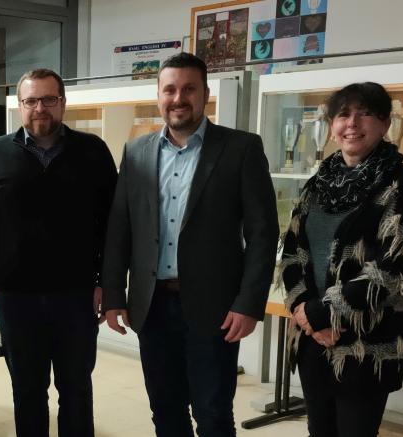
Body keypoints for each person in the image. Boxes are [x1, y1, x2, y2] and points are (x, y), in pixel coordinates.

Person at [101, 52, 278, 437]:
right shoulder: (137, 152)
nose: (178, 98)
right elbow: (120, 228)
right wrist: (114, 294)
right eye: (170, 89)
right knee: (165, 411)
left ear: (205, 94)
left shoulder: (241, 148)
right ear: (159, 95)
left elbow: (263, 233)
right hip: (152, 306)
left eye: (188, 89)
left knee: (213, 414)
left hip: (214, 308)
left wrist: (249, 304)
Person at [0, 69, 117, 437]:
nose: (40, 108)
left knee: (77, 390)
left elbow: (114, 227)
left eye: (49, 99)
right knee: (27, 392)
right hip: (16, 299)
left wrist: (107, 284)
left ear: (63, 103)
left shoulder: (93, 152)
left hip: (77, 297)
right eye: (31, 100)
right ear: (20, 106)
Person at [281, 82, 403, 437]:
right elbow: (291, 251)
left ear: (384, 123)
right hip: (313, 338)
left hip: (366, 342)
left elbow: (390, 269)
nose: (352, 123)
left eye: (365, 113)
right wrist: (304, 310)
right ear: (332, 125)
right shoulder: (318, 183)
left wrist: (319, 314)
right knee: (320, 431)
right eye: (343, 114)